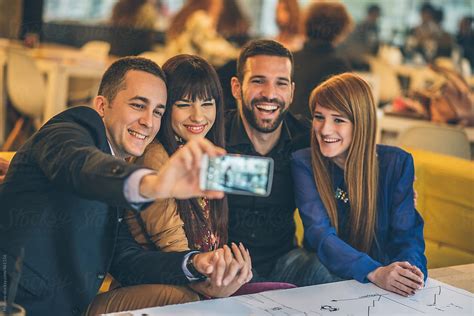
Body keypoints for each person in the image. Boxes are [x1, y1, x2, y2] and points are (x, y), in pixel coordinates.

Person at [0, 56, 232, 315]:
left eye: (157, 111)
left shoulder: (118, 165)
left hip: (71, 304)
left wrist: (195, 263)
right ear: (101, 105)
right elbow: (82, 166)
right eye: (137, 105)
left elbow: (125, 260)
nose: (148, 121)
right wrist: (152, 185)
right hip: (18, 301)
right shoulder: (69, 129)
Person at [87, 54, 252, 314]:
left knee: (282, 289)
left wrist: (230, 269)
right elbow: (173, 247)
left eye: (207, 104)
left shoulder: (204, 153)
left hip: (196, 283)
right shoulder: (154, 156)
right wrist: (212, 282)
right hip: (162, 286)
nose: (198, 116)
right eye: (184, 104)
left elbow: (214, 239)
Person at [291, 73, 427, 296]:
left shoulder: (397, 164)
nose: (324, 129)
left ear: (361, 123)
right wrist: (374, 271)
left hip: (383, 283)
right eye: (319, 117)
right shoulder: (304, 163)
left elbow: (407, 236)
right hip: (326, 279)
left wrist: (410, 273)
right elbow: (320, 235)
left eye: (338, 119)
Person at [226, 39, 340, 286]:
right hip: (226, 268)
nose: (270, 93)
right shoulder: (214, 137)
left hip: (287, 261)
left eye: (281, 83)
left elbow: (349, 177)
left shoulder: (309, 139)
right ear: (236, 87)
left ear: (291, 91)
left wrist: (387, 189)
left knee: (327, 276)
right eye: (258, 81)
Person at [292, 1, 353, 121]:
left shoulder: (289, 58)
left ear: (307, 23)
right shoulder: (339, 67)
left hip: (284, 133)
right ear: (340, 28)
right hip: (316, 135)